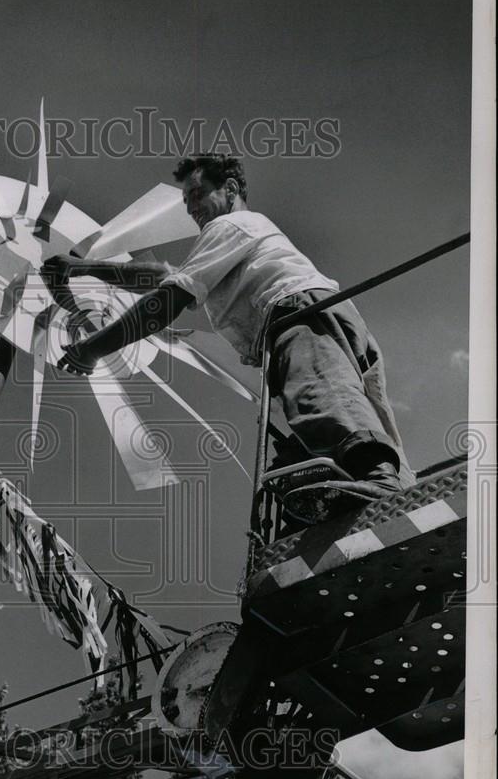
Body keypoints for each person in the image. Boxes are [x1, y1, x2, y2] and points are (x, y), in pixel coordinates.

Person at [41, 153, 413, 521]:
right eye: (187, 202)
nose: (192, 209)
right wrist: (83, 268)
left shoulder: (230, 227)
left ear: (231, 188)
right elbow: (161, 275)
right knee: (309, 440)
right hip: (321, 317)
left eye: (198, 195)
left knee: (324, 397)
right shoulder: (234, 240)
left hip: (298, 315)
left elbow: (169, 299)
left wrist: (92, 349)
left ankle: (378, 481)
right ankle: (354, 492)